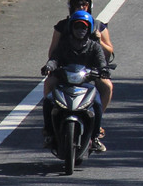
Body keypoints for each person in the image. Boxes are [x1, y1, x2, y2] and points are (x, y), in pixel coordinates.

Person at [42, 9, 112, 151]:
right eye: (77, 27)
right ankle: (49, 133)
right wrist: (49, 66)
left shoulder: (94, 46)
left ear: (89, 29)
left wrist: (103, 70)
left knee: (97, 103)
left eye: (84, 27)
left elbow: (101, 62)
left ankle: (95, 136)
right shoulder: (64, 44)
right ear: (71, 28)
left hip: (87, 83)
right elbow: (55, 58)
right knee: (48, 101)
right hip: (64, 82)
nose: (80, 30)